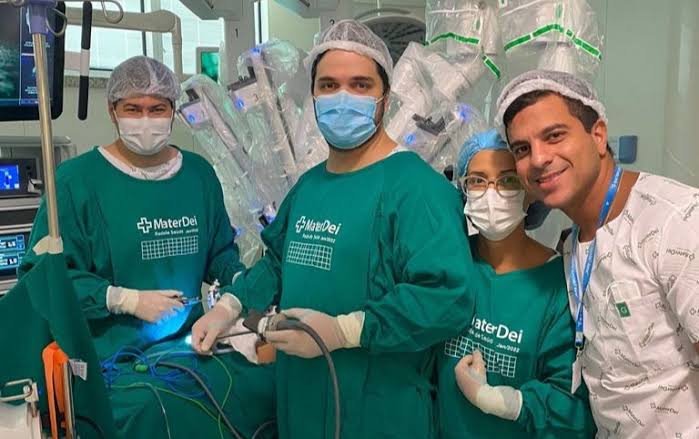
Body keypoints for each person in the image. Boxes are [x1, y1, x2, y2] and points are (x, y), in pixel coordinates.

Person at [192, 20, 476, 439]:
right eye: (329, 85)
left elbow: (447, 298)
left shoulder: (416, 189)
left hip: (379, 413)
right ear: (313, 96)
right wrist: (229, 306)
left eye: (360, 85)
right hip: (302, 401)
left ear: (385, 98)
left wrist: (344, 331)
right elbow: (277, 263)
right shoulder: (309, 187)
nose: (343, 97)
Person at [19, 56, 275, 438]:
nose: (145, 119)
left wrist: (238, 289)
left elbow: (220, 252)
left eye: (157, 109)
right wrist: (124, 299)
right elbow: (43, 278)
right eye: (133, 109)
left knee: (261, 388)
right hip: (113, 359)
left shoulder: (198, 174)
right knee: (151, 414)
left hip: (192, 346)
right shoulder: (75, 182)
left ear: (173, 111)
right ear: (112, 111)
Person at [495, 69, 699, 438]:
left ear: (598, 135)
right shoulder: (572, 244)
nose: (538, 158)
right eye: (522, 149)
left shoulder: (677, 220)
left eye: (554, 136)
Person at [436, 128, 595, 438]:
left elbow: (574, 411)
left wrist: (503, 402)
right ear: (463, 190)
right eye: (477, 180)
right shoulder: (451, 264)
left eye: (508, 180)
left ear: (530, 191)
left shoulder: (558, 285)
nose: (491, 193)